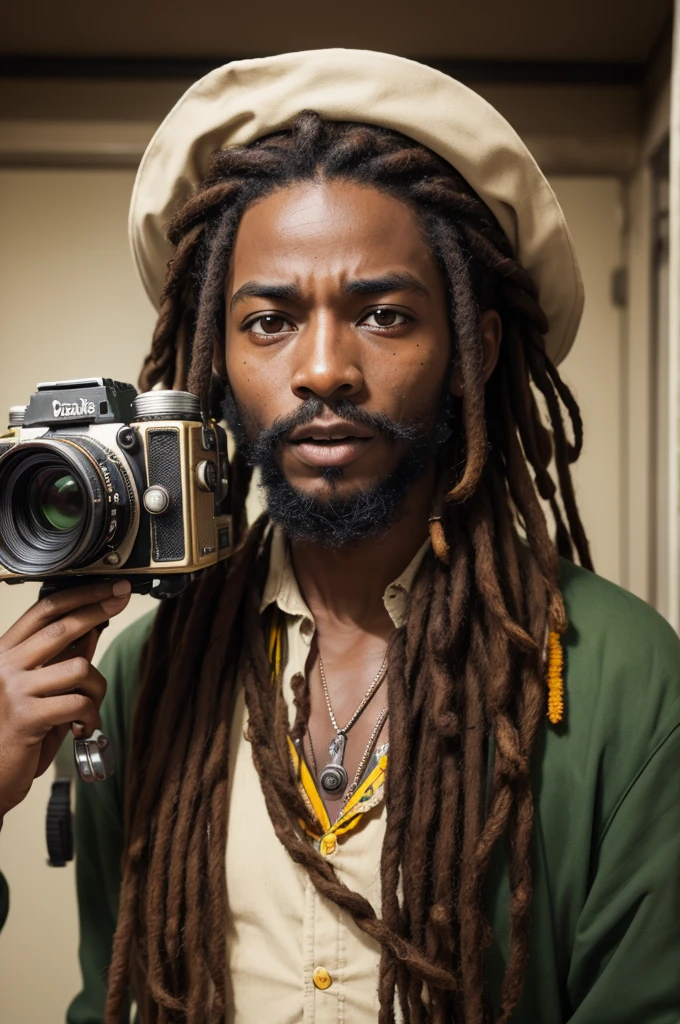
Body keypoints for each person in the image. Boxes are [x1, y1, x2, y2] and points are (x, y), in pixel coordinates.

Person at [0, 49, 679, 1024]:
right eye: (269, 321)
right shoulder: (146, 676)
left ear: (470, 351)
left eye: (383, 313)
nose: (322, 368)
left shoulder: (621, 678)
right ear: (216, 360)